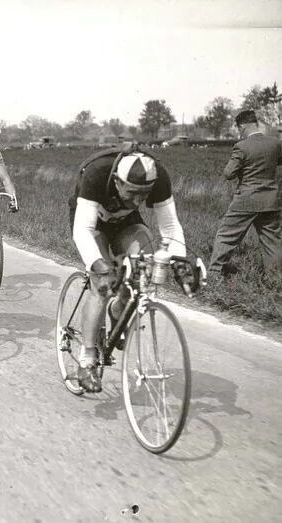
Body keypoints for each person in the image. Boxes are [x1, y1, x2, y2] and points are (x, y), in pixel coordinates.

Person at [69, 143, 193, 393]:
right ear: (117, 180)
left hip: (126, 223)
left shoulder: (158, 176)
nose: (138, 200)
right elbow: (82, 230)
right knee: (101, 286)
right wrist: (101, 267)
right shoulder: (98, 172)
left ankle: (120, 307)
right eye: (133, 193)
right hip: (92, 224)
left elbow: (170, 228)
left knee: (142, 267)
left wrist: (180, 261)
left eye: (144, 194)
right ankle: (87, 359)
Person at [209, 110, 282, 278]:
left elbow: (229, 174)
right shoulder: (276, 144)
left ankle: (214, 274)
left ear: (242, 127)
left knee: (226, 235)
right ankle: (275, 279)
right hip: (271, 200)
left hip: (246, 200)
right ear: (255, 124)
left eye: (239, 129)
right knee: (271, 241)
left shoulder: (241, 147)